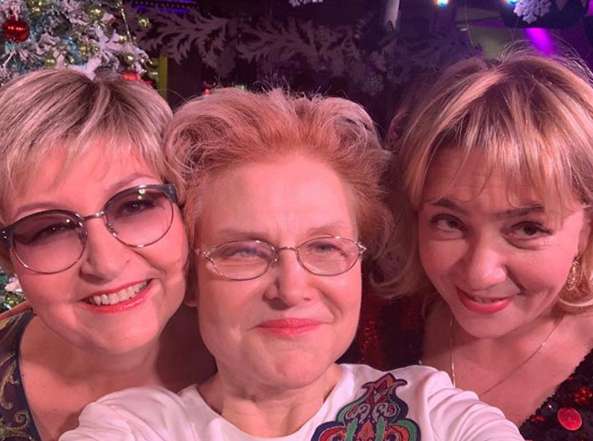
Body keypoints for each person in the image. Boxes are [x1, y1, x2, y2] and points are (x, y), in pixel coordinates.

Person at [60, 88, 523, 441]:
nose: (292, 288)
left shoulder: (432, 412)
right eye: (244, 251)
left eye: (324, 248)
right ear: (193, 280)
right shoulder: (136, 427)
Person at [369, 49, 593, 440]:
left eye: (527, 229)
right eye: (450, 222)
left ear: (586, 230)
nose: (479, 274)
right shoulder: (369, 322)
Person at [0, 69, 214, 441]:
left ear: (184, 206)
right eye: (50, 229)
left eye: (134, 205)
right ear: (8, 255)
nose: (105, 264)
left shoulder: (271, 342)